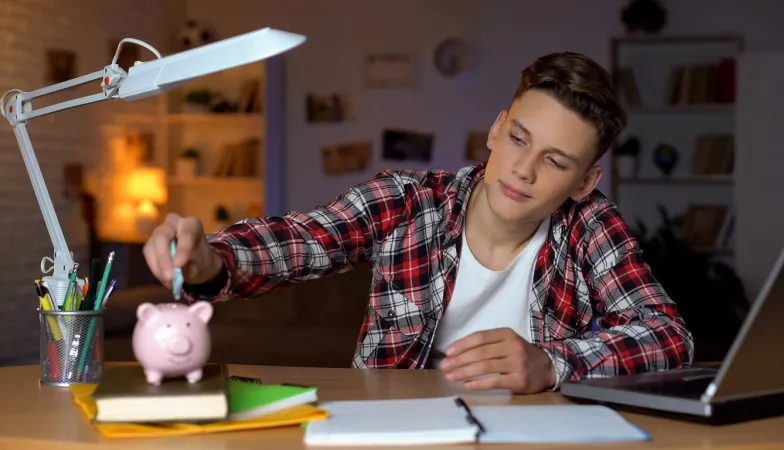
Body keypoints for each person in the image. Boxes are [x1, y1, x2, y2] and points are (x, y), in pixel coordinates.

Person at [143, 51, 694, 394]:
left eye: (554, 161)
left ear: (583, 181)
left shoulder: (592, 225)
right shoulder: (408, 201)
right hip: (397, 427)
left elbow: (670, 337)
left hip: (535, 434)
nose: (523, 170)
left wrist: (552, 363)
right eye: (520, 139)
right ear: (498, 130)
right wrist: (211, 258)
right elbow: (302, 239)